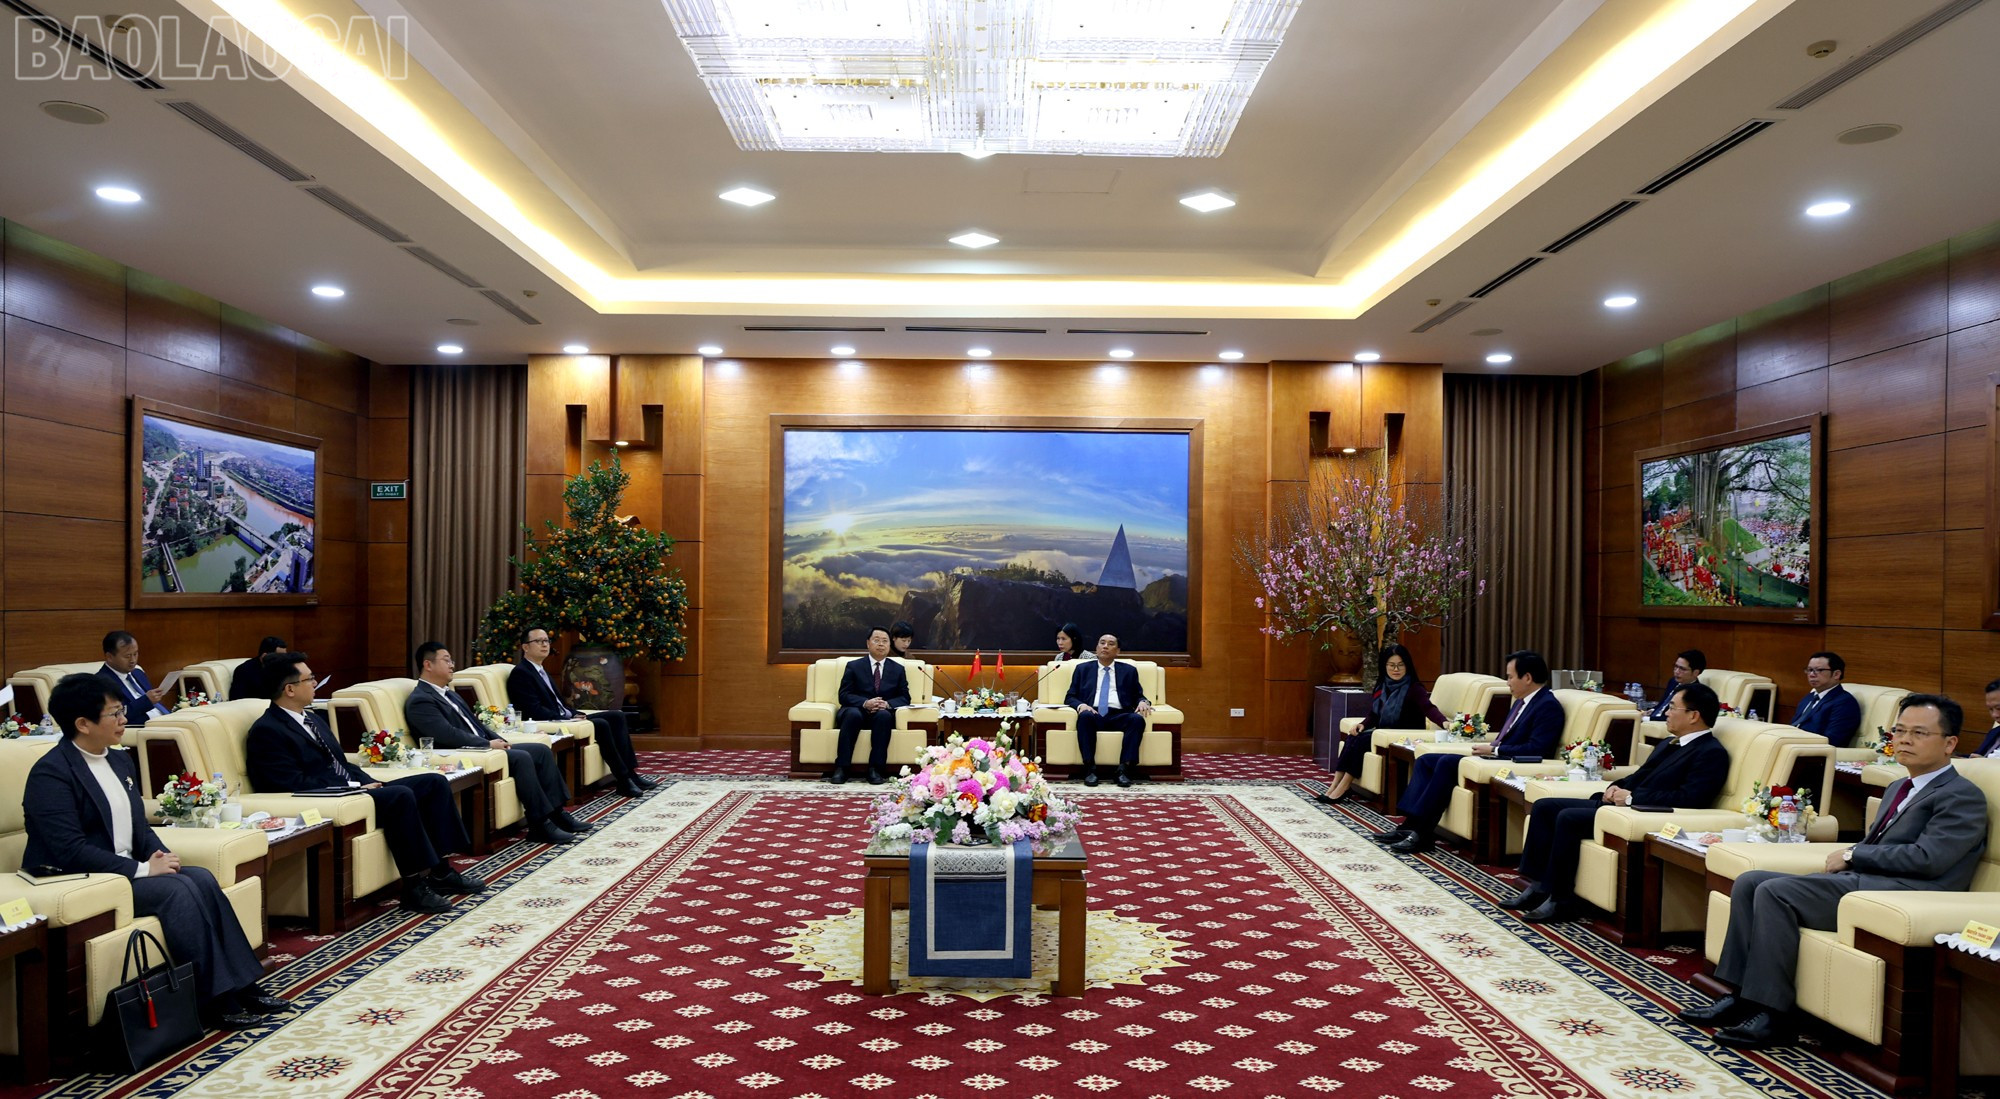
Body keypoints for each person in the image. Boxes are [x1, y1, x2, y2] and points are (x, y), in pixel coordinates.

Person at [1680, 693, 1987, 1049]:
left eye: (1918, 733)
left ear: (1950, 743)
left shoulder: (1960, 796)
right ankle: (1740, 996)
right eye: (1900, 731)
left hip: (1909, 892)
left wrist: (1855, 854)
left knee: (1775, 892)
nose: (1904, 740)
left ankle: (1775, 1016)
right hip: (1867, 883)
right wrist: (1856, 859)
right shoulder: (1899, 787)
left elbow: (1929, 858)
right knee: (1750, 881)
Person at [23, 674, 293, 1029]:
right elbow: (69, 849)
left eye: (122, 710)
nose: (124, 720)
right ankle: (213, 999)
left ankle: (245, 986)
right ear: (83, 724)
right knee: (176, 891)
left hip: (126, 870)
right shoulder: (52, 773)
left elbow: (139, 827)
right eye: (114, 714)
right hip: (81, 877)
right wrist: (142, 870)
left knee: (201, 878)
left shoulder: (119, 761)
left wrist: (163, 857)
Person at [247, 652, 486, 915]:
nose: (315, 683)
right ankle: (413, 887)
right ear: (290, 689)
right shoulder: (267, 730)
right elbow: (288, 781)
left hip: (353, 788)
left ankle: (441, 872)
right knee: (400, 796)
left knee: (433, 782)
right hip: (329, 797)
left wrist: (368, 781)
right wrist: (354, 787)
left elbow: (341, 762)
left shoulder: (313, 719)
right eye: (309, 679)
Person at [1505, 682, 1732, 922]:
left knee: (1568, 817)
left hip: (1644, 813)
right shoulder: (1669, 743)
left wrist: (1632, 798)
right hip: (1622, 806)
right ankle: (1538, 886)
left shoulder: (1710, 752)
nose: (1666, 712)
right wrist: (1616, 787)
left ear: (1694, 715)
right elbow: (1641, 775)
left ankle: (1560, 900)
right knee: (1545, 806)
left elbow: (1691, 798)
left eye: (1673, 707)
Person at [1377, 649, 1565, 854]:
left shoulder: (1547, 705)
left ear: (1527, 678)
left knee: (1446, 763)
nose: (1507, 682)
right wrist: (1492, 748)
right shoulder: (1522, 701)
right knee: (1427, 760)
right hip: (1496, 756)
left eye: (1510, 677)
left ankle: (1422, 834)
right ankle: (1409, 826)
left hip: (1513, 762)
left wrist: (1496, 749)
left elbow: (1537, 749)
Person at [405, 641, 590, 845]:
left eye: (451, 661)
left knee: (540, 750)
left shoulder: (449, 693)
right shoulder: (421, 700)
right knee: (521, 757)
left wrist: (498, 739)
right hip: (465, 751)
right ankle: (540, 825)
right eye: (446, 660)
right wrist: (487, 744)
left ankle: (557, 813)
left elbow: (477, 724)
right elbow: (447, 735)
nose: (452, 665)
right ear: (428, 665)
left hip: (485, 746)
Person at [508, 627, 657, 798]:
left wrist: (573, 713)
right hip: (552, 721)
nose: (545, 645)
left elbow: (558, 703)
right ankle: (623, 780)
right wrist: (567, 718)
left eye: (547, 641)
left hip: (566, 716)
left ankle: (631, 774)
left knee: (617, 716)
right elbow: (533, 710)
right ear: (525, 647)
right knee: (601, 724)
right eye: (539, 641)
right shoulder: (521, 673)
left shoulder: (540, 670)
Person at [1319, 645, 1448, 804]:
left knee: (1361, 741)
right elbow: (1375, 714)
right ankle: (1334, 786)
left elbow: (1429, 708)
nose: (1396, 669)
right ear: (1384, 666)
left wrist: (1444, 722)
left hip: (1404, 736)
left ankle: (1344, 787)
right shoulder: (1382, 686)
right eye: (1391, 665)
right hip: (1383, 733)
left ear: (1407, 665)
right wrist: (1362, 725)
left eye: (1400, 665)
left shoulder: (1414, 688)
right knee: (1354, 736)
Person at [1064, 634, 1154, 788]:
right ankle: (1090, 769)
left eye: (1111, 644)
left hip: (1119, 714)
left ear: (1117, 651)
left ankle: (1123, 770)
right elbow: (1070, 697)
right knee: (1084, 717)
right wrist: (1081, 706)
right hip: (1093, 713)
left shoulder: (1129, 671)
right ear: (1096, 648)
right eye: (1102, 643)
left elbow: (1138, 695)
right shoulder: (1082, 669)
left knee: (1137, 719)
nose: (1105, 646)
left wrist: (1143, 702)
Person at [830, 626, 910, 785]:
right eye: (877, 640)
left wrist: (887, 704)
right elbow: (843, 695)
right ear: (868, 643)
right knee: (853, 714)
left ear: (889, 645)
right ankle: (842, 768)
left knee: (884, 716)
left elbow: (905, 698)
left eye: (885, 641)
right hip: (855, 710)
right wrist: (865, 703)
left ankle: (875, 769)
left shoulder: (898, 669)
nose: (881, 644)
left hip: (881, 713)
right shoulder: (854, 666)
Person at [97, 630, 170, 726]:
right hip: (142, 728)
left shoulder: (138, 673)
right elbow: (116, 716)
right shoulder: (101, 683)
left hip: (165, 720)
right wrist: (146, 701)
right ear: (109, 657)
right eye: (127, 656)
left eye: (135, 654)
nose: (133, 660)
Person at [1792, 651, 1860, 747]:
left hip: (1813, 751)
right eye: (1809, 670)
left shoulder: (1845, 703)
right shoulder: (1809, 698)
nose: (1811, 674)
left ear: (1836, 674)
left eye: (1819, 670)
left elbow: (1833, 741)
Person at [1647, 649, 1705, 721]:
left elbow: (1674, 718)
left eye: (1682, 669)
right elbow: (1663, 704)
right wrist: (1651, 711)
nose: (1676, 671)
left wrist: (1646, 719)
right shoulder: (1673, 681)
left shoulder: (1694, 693)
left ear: (1696, 673)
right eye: (1676, 666)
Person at [230, 636, 288, 702]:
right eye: (279, 656)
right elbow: (237, 700)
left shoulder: (282, 669)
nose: (283, 660)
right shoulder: (244, 670)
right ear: (265, 656)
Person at [1965, 678, 2000, 758]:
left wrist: (1984, 762)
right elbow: (1975, 756)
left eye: (1999, 708)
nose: (1994, 715)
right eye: (1990, 709)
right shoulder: (1994, 733)